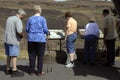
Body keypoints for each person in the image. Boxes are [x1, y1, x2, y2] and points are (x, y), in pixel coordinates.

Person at [26, 5, 49, 76]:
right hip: (40, 39)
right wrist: (47, 32)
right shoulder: (43, 19)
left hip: (31, 39)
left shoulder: (30, 19)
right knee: (40, 56)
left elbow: (27, 29)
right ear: (40, 11)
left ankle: (31, 71)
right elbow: (45, 29)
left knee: (31, 55)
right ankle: (39, 72)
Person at [4, 9, 27, 77]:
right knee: (14, 55)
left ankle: (8, 69)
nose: (23, 18)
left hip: (7, 39)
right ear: (21, 15)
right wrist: (22, 36)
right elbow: (19, 31)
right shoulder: (18, 20)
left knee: (8, 55)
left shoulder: (9, 18)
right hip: (13, 40)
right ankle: (14, 71)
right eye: (23, 17)